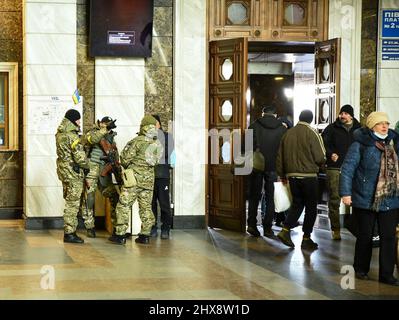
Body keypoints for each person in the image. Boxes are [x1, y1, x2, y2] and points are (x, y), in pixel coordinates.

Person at [340, 111, 399, 286]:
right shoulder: (360, 144)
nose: (384, 126)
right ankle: (360, 269)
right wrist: (345, 193)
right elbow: (348, 169)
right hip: (365, 196)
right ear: (372, 126)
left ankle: (387, 274)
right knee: (365, 235)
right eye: (380, 123)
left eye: (386, 123)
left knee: (388, 237)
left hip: (390, 197)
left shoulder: (394, 143)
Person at [109, 115, 162, 245]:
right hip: (149, 181)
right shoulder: (158, 144)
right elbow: (155, 162)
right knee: (146, 207)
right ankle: (145, 235)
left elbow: (125, 159)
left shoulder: (136, 141)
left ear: (143, 126)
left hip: (133, 180)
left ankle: (120, 235)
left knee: (123, 205)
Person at [276, 110, 326, 249]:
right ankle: (306, 238)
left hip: (292, 176)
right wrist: (323, 164)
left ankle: (285, 230)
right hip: (309, 176)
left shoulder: (288, 133)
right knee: (311, 207)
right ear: (311, 119)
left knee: (297, 204)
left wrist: (282, 174)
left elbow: (280, 155)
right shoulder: (312, 132)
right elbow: (320, 156)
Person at [321, 105, 361, 240]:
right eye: (341, 113)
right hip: (335, 168)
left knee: (357, 199)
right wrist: (330, 153)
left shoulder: (360, 130)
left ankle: (357, 227)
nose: (342, 116)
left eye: (345, 113)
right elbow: (323, 143)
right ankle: (336, 229)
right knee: (334, 199)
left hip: (355, 169)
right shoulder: (331, 129)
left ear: (351, 115)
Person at [247, 105, 287, 237]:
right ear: (275, 115)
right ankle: (268, 227)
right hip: (273, 167)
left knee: (254, 195)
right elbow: (283, 151)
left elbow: (247, 147)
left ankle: (252, 225)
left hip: (256, 165)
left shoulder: (253, 126)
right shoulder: (282, 129)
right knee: (271, 197)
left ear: (262, 113)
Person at [81, 116, 120, 238]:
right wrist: (104, 129)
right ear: (101, 124)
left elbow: (115, 155)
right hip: (91, 169)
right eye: (105, 124)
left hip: (104, 171)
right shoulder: (93, 132)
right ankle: (89, 226)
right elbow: (92, 140)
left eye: (109, 125)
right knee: (89, 198)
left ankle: (117, 227)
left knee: (114, 197)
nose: (107, 127)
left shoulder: (111, 138)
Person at [55, 109, 89, 244]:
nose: (80, 122)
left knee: (69, 199)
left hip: (63, 171)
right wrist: (87, 166)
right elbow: (80, 158)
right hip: (73, 173)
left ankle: (70, 231)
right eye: (78, 120)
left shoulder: (59, 134)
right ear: (74, 120)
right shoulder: (73, 137)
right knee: (73, 203)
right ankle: (69, 233)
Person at [150, 115, 174, 240]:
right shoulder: (147, 137)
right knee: (150, 204)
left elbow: (169, 154)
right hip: (149, 176)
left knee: (164, 204)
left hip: (163, 175)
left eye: (154, 123)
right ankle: (152, 227)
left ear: (159, 124)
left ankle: (165, 228)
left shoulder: (167, 137)